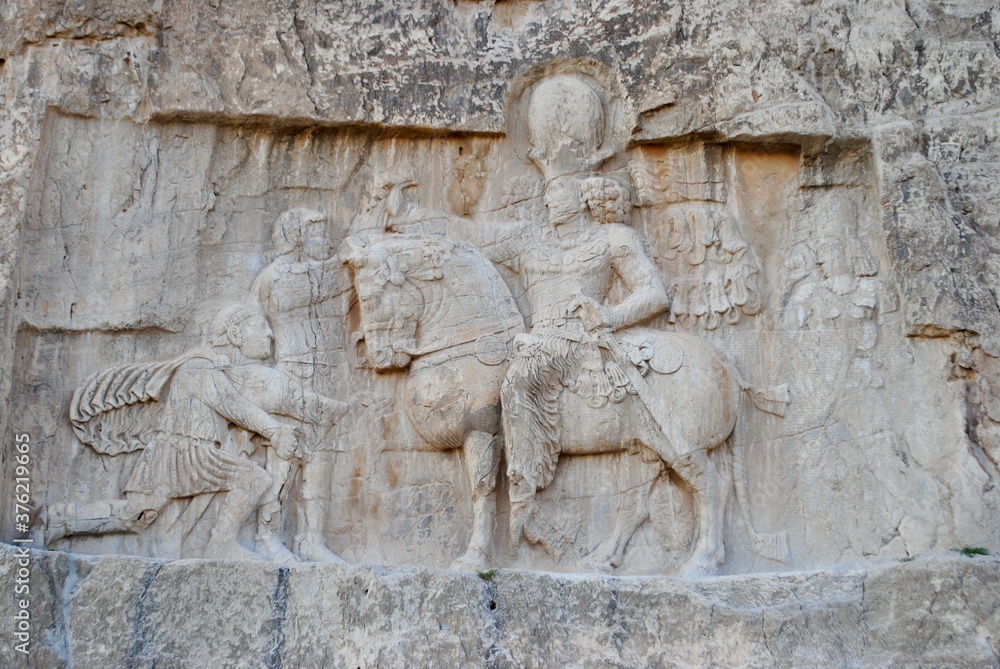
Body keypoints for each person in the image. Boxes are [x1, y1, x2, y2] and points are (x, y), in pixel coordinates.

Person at [385, 174, 670, 540]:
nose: (548, 201)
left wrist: (612, 316)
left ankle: (524, 498)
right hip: (536, 340)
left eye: (556, 193)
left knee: (518, 381)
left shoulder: (613, 239)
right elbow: (470, 238)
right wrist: (408, 214)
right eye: (546, 195)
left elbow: (654, 293)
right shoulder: (529, 241)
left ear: (582, 199)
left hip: (579, 339)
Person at [50, 303, 345, 560]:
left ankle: (60, 519)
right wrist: (275, 431)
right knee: (252, 478)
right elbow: (234, 406)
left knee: (136, 515)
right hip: (187, 452)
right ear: (236, 334)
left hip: (177, 454)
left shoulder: (215, 368)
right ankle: (221, 545)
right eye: (261, 327)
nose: (269, 335)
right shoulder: (200, 367)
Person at [251, 208, 353, 562]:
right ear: (296, 238)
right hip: (292, 374)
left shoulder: (326, 274)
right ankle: (268, 535)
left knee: (323, 460)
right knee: (285, 457)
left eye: (326, 234)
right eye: (315, 235)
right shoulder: (277, 278)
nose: (325, 241)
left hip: (329, 374)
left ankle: (313, 539)